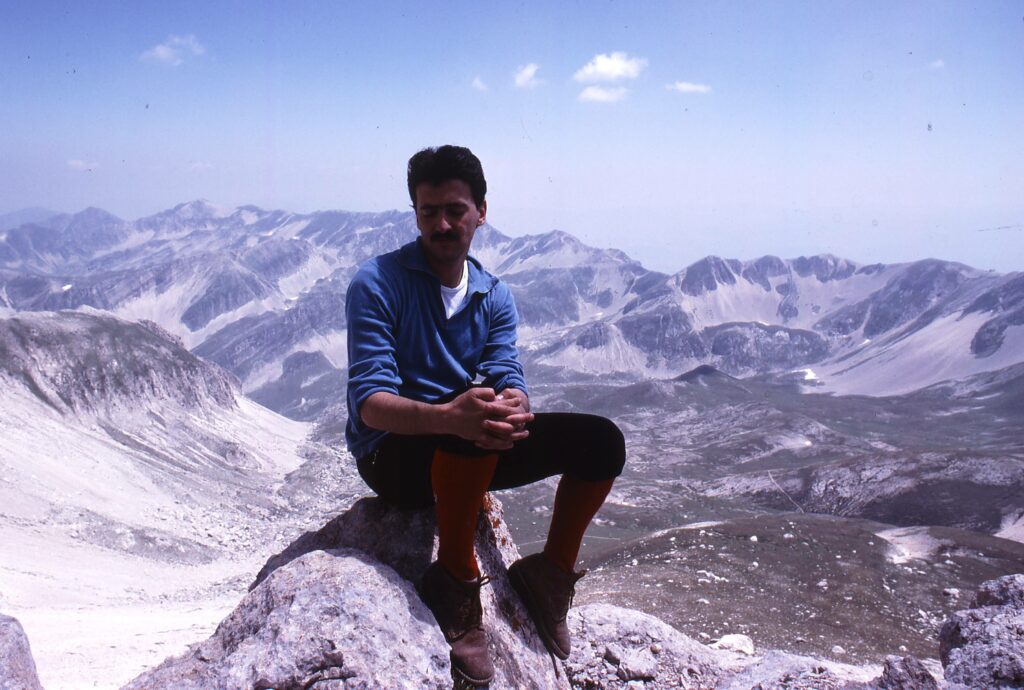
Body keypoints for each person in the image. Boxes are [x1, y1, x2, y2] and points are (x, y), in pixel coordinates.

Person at [345, 145, 625, 686]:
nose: (442, 225)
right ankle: (453, 580)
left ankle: (549, 576)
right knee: (470, 423)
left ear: (481, 212)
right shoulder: (377, 283)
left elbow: (506, 371)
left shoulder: (494, 296)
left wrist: (515, 400)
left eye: (455, 210)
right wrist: (450, 416)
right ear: (415, 214)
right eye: (429, 211)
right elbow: (370, 404)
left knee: (603, 443)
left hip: (465, 441)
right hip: (391, 456)